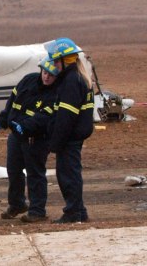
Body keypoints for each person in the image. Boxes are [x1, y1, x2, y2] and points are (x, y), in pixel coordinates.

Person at [0, 57, 60, 222]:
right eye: (45, 72)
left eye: (51, 75)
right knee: (13, 170)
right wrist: (4, 118)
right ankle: (17, 204)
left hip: (36, 138)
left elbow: (44, 117)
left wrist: (23, 126)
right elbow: (13, 99)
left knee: (35, 173)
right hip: (16, 135)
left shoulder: (56, 93)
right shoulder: (28, 80)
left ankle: (37, 211)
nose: (46, 77)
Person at [47, 37, 94, 223]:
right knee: (70, 173)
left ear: (67, 60)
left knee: (68, 175)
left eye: (57, 61)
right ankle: (79, 211)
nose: (55, 65)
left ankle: (73, 212)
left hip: (69, 138)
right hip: (73, 137)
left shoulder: (71, 81)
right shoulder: (76, 77)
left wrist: (55, 142)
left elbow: (66, 117)